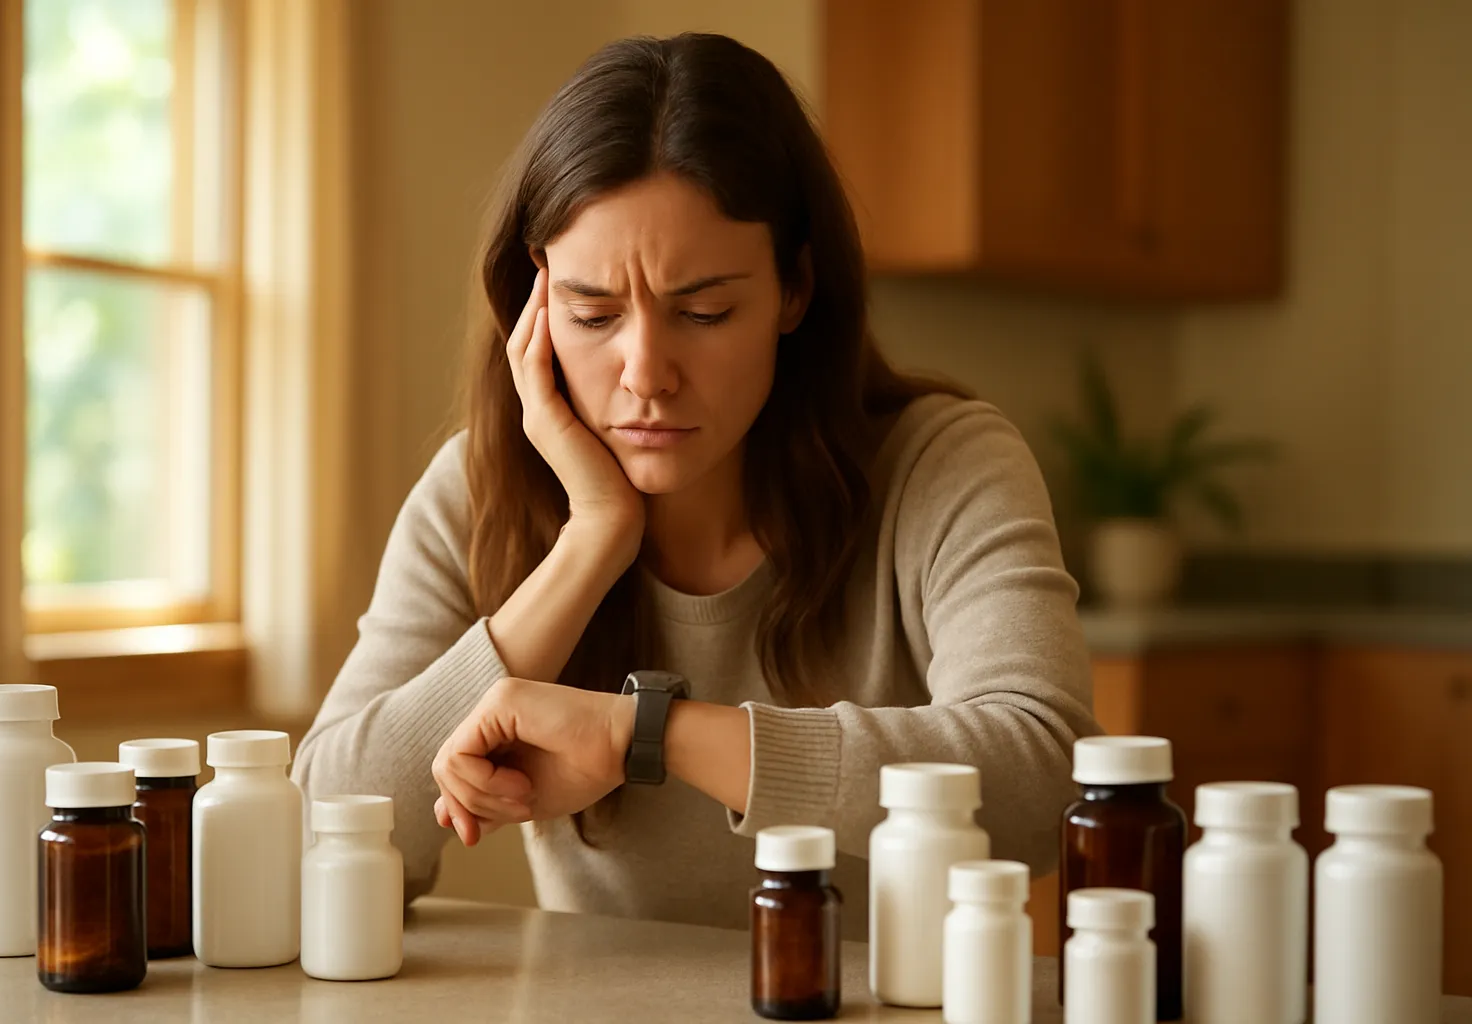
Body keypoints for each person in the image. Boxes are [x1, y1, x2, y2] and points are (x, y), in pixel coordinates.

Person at [292, 31, 1099, 939]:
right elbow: (316, 845)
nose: (645, 373)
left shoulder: (943, 467)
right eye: (592, 313)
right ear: (534, 306)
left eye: (704, 311)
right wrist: (592, 540)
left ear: (795, 291)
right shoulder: (473, 495)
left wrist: (648, 732)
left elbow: (1050, 781)